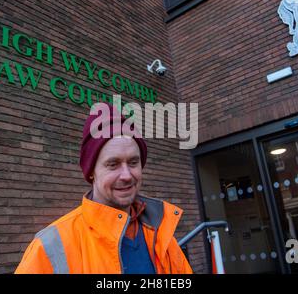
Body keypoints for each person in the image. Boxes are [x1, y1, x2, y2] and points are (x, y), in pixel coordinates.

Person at [15, 103, 193, 274]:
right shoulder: (50, 246)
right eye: (113, 164)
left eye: (133, 162)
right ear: (91, 171)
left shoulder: (161, 234)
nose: (126, 175)